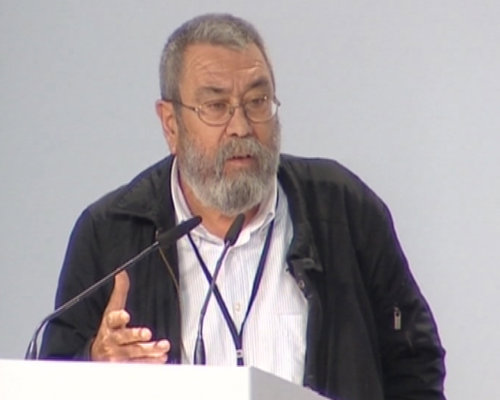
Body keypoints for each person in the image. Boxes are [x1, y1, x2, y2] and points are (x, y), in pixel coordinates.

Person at [40, 13, 446, 400]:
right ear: (171, 124)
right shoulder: (111, 233)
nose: (241, 127)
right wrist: (93, 363)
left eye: (257, 101)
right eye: (216, 107)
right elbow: (50, 380)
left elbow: (414, 365)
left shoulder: (344, 211)